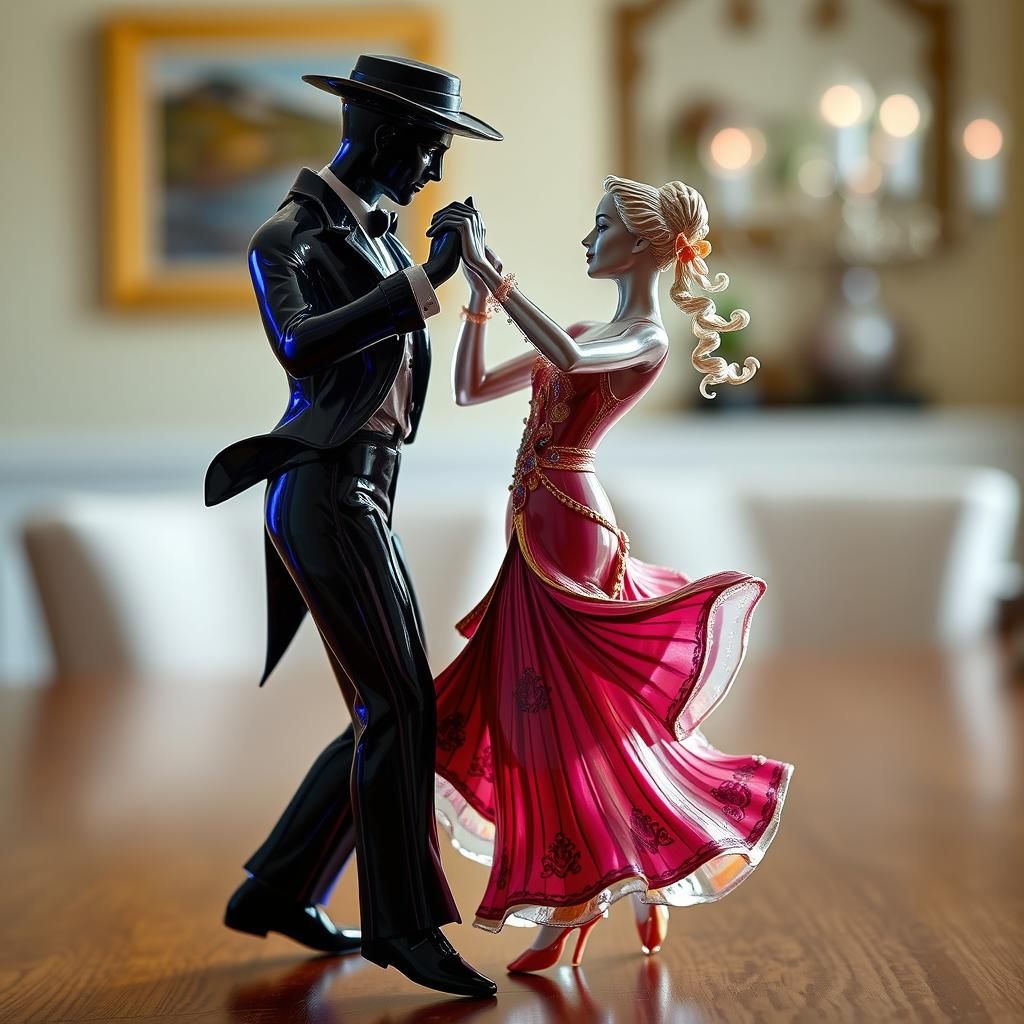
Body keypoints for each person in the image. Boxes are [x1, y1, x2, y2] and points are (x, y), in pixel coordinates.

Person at [429, 175, 794, 971]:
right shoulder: (591, 328)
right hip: (535, 522)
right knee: (544, 716)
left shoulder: (642, 338)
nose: (588, 242)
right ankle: (626, 884)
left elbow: (564, 356)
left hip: (570, 525)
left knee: (570, 719)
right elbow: (470, 388)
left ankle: (578, 907)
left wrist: (500, 276)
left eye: (600, 228)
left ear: (643, 248)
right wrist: (478, 301)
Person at [204, 55, 501, 999]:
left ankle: (279, 888)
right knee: (406, 705)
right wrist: (423, 281)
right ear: (379, 134)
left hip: (364, 487)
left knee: (389, 703)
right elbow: (300, 342)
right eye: (427, 148)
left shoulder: (376, 236)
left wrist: (459, 282)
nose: (434, 173)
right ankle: (406, 926)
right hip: (325, 489)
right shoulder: (283, 237)